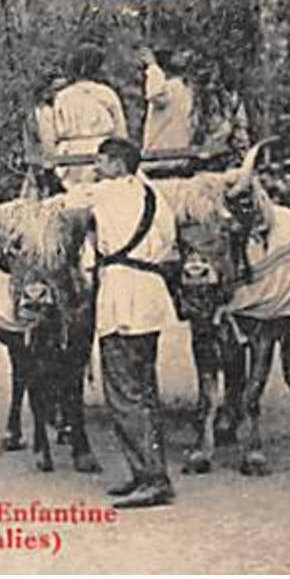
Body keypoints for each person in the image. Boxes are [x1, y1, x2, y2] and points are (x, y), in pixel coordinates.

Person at [82, 136, 179, 509]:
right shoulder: (155, 195)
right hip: (150, 297)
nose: (95, 168)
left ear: (117, 165)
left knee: (123, 394)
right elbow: (168, 242)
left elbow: (63, 206)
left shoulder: (103, 193)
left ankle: (151, 479)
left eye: (101, 161)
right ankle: (149, 473)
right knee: (145, 389)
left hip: (122, 297)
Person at [47, 44, 128, 182]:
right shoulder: (106, 94)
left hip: (70, 155)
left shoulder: (62, 97)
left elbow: (53, 131)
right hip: (100, 154)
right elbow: (120, 132)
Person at [138, 47, 195, 155]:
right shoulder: (175, 87)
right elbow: (155, 95)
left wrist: (153, 67)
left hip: (166, 151)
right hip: (168, 150)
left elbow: (155, 95)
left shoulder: (177, 86)